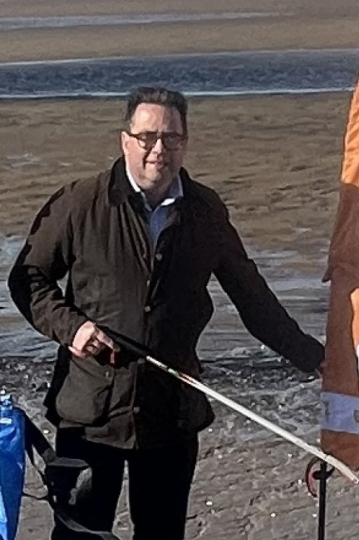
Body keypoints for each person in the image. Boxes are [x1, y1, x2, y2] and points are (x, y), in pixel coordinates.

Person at [7, 86, 324, 540]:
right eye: (148, 137)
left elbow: (252, 298)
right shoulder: (81, 202)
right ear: (125, 140)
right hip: (90, 415)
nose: (159, 149)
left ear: (185, 142)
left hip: (171, 415)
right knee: (79, 533)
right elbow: (28, 278)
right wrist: (71, 328)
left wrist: (314, 358)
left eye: (172, 138)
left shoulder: (206, 210)